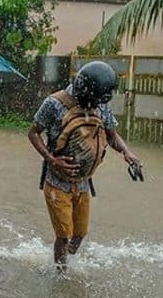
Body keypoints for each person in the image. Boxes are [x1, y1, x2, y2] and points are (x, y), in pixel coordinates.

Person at [28, 61, 141, 268]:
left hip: (83, 182)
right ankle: (60, 274)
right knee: (64, 235)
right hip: (57, 182)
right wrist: (52, 159)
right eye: (92, 101)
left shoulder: (100, 103)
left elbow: (111, 134)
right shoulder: (54, 103)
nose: (94, 106)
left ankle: (64, 261)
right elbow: (33, 133)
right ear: (83, 90)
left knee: (79, 234)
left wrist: (126, 152)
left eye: (98, 102)